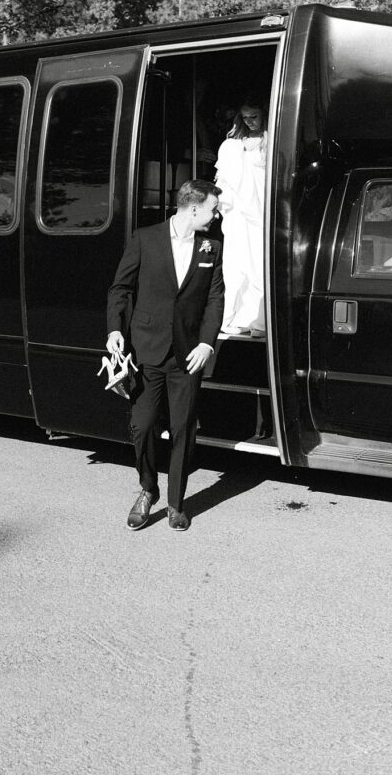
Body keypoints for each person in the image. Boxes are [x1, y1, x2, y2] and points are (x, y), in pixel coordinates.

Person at [106, 179, 224, 531]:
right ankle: (147, 489)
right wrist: (115, 330)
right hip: (147, 349)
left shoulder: (211, 246)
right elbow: (121, 288)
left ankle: (176, 503)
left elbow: (215, 297)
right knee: (141, 426)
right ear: (192, 208)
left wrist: (206, 343)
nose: (216, 215)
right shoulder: (145, 238)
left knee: (183, 428)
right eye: (212, 209)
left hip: (188, 354)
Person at [215, 101, 267, 335]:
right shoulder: (232, 145)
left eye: (253, 116)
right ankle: (234, 317)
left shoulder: (271, 141)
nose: (249, 122)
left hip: (261, 210)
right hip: (237, 212)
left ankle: (258, 319)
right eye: (245, 117)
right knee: (235, 265)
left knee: (258, 264)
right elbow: (223, 179)